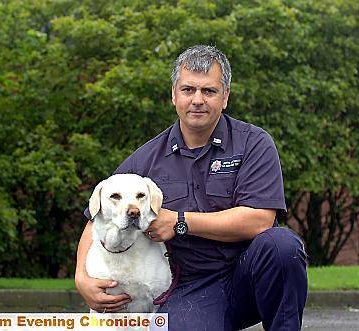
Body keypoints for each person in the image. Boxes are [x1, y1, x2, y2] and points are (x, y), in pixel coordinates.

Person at [75, 45, 308, 330]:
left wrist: (180, 222)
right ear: (174, 96)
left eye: (209, 91)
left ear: (225, 97)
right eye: (188, 90)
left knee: (282, 245)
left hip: (249, 274)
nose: (197, 100)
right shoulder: (146, 158)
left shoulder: (253, 143)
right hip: (192, 287)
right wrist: (82, 278)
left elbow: (260, 220)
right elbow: (98, 215)